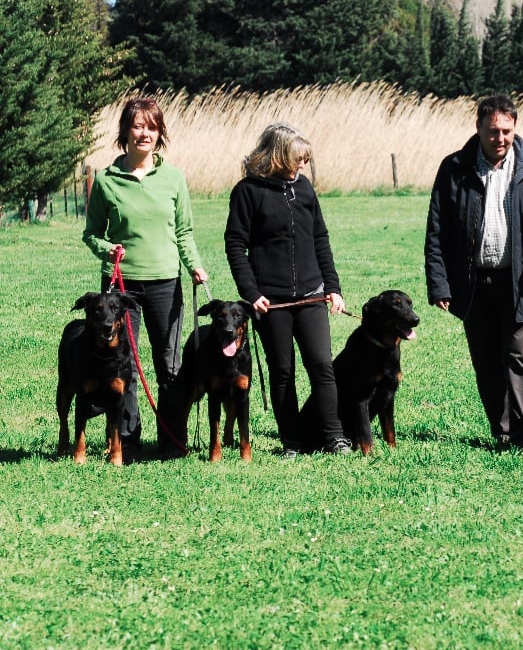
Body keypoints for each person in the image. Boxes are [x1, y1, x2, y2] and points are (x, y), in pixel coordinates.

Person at [425, 95, 523, 447]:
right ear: (477, 128)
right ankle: (504, 432)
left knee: (521, 358)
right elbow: (437, 230)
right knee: (487, 363)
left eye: (506, 131)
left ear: (515, 128)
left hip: (521, 281)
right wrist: (439, 284)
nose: (500, 138)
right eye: (493, 131)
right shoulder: (455, 167)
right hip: (473, 283)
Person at [83, 97, 208, 462]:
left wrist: (195, 266)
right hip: (121, 288)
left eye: (152, 127)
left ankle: (172, 440)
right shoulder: (106, 180)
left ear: (160, 134)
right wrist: (107, 249)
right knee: (127, 368)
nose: (145, 133)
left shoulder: (173, 178)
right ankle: (128, 442)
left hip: (165, 283)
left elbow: (183, 232)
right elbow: (91, 233)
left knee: (169, 367)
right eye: (138, 126)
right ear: (125, 132)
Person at [224, 123, 351, 459]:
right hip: (271, 301)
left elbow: (320, 239)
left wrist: (333, 288)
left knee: (322, 365)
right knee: (282, 371)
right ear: (278, 156)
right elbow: (235, 245)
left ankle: (334, 437)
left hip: (312, 294)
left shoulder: (305, 189)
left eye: (306, 159)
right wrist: (251, 293)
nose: (303, 165)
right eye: (299, 159)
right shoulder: (248, 192)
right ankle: (291, 443)